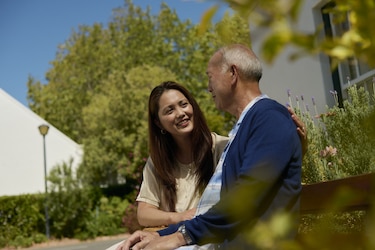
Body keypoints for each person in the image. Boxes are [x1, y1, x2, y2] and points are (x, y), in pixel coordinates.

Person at [118, 44, 304, 250]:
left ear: (232, 73)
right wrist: (161, 235)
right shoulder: (245, 127)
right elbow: (212, 209)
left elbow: (244, 200)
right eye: (169, 110)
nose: (208, 87)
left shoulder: (268, 118)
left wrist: (179, 237)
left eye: (210, 77)